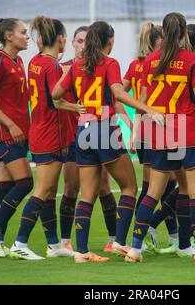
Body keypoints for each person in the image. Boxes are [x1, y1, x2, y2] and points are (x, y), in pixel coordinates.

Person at [52, 21, 164, 263]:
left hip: (83, 131)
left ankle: (81, 252)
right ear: (109, 42)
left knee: (87, 194)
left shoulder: (77, 66)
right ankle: (120, 243)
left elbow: (55, 97)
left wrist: (72, 107)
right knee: (130, 187)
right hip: (105, 130)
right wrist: (148, 109)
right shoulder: (109, 63)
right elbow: (119, 94)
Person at [124, 12, 195, 263]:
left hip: (162, 135)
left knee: (151, 194)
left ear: (163, 32)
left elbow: (144, 101)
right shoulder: (192, 60)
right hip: (189, 133)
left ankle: (135, 249)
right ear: (184, 32)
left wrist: (138, 129)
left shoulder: (150, 61)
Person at [8, 16, 86, 260]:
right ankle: (20, 242)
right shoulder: (52, 66)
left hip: (40, 131)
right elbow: (56, 99)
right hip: (51, 135)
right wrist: (77, 108)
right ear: (62, 39)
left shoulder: (35, 61)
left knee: (50, 192)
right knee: (43, 190)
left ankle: (53, 245)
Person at [59, 26, 123, 253]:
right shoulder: (66, 68)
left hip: (84, 131)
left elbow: (115, 99)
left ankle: (107, 240)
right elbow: (52, 99)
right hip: (80, 133)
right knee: (71, 188)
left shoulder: (83, 67)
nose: (83, 45)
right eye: (79, 40)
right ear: (72, 43)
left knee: (100, 187)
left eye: (86, 40)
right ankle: (66, 241)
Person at [123, 22, 179, 254]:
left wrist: (131, 129)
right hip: (158, 127)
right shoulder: (157, 64)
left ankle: (170, 236)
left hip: (147, 128)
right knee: (161, 186)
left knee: (160, 185)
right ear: (157, 41)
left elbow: (117, 94)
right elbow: (136, 100)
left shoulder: (136, 65)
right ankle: (146, 232)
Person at [0, 18, 33, 257]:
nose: (27, 36)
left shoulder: (18, 60)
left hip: (20, 132)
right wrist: (11, 125)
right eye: (23, 32)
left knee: (7, 183)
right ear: (9, 36)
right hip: (6, 134)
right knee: (25, 183)